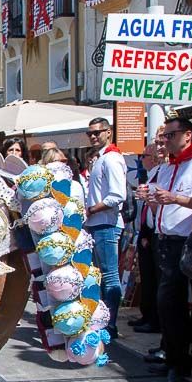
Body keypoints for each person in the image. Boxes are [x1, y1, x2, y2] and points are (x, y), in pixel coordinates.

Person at [141, 118, 192, 382]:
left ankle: (180, 362)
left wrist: (176, 199)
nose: (165, 140)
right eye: (163, 136)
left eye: (170, 135)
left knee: (173, 303)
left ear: (187, 135)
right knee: (167, 305)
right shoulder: (168, 166)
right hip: (165, 240)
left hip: (186, 241)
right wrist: (151, 199)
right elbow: (160, 202)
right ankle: (172, 356)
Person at [84, 117, 127, 336]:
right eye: (89, 133)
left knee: (109, 275)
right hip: (97, 223)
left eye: (97, 132)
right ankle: (103, 319)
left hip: (106, 223)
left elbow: (117, 195)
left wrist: (91, 209)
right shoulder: (100, 159)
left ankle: (110, 322)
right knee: (100, 275)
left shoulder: (111, 159)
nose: (93, 136)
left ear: (108, 132)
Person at [128, 142, 163, 333]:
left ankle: (154, 319)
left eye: (144, 156)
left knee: (156, 279)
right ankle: (147, 314)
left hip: (156, 231)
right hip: (147, 229)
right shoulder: (149, 176)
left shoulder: (161, 173)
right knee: (147, 277)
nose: (141, 160)